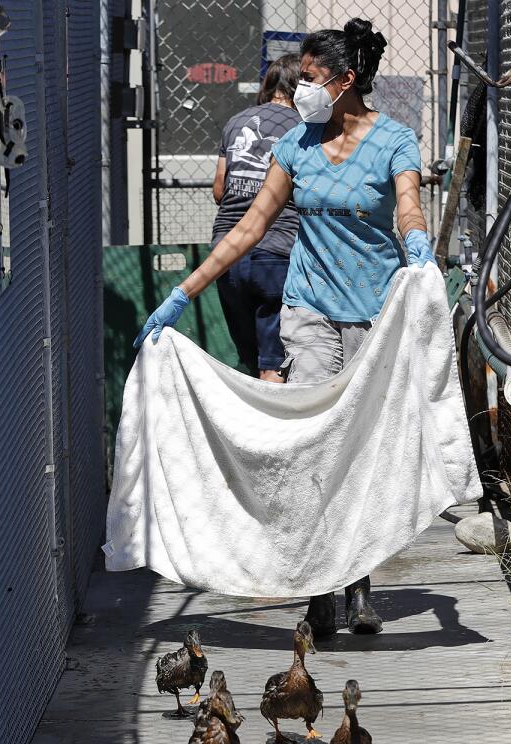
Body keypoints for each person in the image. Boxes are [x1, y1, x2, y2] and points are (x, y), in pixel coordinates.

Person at [134, 18, 436, 636]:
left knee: (363, 448)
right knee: (317, 446)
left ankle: (359, 581)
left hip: (375, 313)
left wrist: (417, 242)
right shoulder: (295, 144)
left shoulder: (395, 140)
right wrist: (181, 294)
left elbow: (408, 201)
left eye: (312, 75)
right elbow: (247, 227)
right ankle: (321, 589)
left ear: (347, 80)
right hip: (308, 310)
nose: (302, 86)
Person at [211, 55, 301, 382]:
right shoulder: (304, 129)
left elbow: (220, 190)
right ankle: (273, 433)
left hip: (226, 253)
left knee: (249, 363)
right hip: (276, 251)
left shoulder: (235, 122)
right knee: (275, 364)